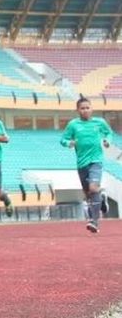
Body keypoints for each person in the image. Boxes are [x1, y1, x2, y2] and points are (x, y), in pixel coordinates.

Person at [60, 97, 113, 233]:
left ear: (92, 108)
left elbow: (109, 133)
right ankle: (101, 199)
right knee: (89, 193)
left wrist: (107, 140)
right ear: (78, 110)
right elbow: (63, 139)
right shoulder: (73, 124)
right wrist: (69, 143)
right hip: (81, 163)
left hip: (96, 160)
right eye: (82, 108)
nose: (85, 110)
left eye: (87, 107)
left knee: (93, 188)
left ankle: (94, 221)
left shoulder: (99, 122)